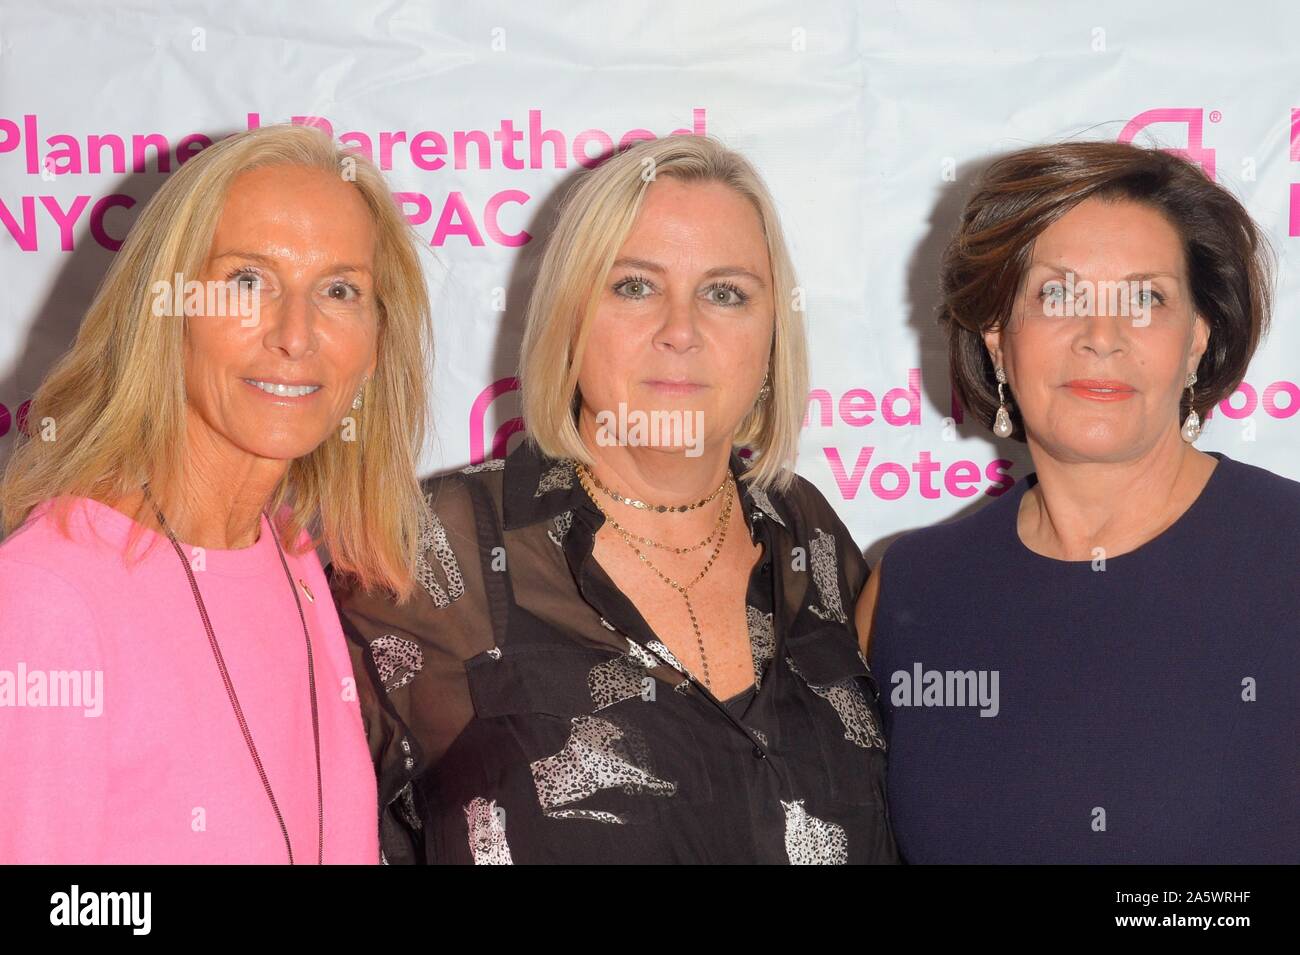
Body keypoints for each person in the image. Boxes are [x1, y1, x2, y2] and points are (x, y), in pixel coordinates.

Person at [332, 133, 899, 864]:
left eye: (725, 293)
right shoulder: (426, 548)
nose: (681, 331)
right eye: (634, 285)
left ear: (771, 338)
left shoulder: (811, 535)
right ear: (569, 317)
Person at [0, 123, 433, 864]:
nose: (296, 335)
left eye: (338, 290)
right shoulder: (50, 594)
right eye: (247, 282)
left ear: (375, 342)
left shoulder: (289, 553)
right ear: (164, 312)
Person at [860, 140, 1298, 863]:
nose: (1103, 336)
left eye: (1146, 298)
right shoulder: (912, 589)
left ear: (1196, 340)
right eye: (1058, 294)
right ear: (998, 339)